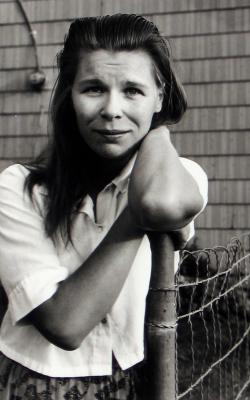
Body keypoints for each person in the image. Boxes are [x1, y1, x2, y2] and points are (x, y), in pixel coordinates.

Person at [0, 14, 208, 399]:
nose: (112, 109)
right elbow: (65, 325)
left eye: (133, 90)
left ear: (159, 96)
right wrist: (135, 216)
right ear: (69, 95)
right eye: (94, 88)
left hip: (137, 381)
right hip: (37, 384)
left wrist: (158, 128)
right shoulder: (18, 187)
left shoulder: (182, 176)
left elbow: (161, 201)